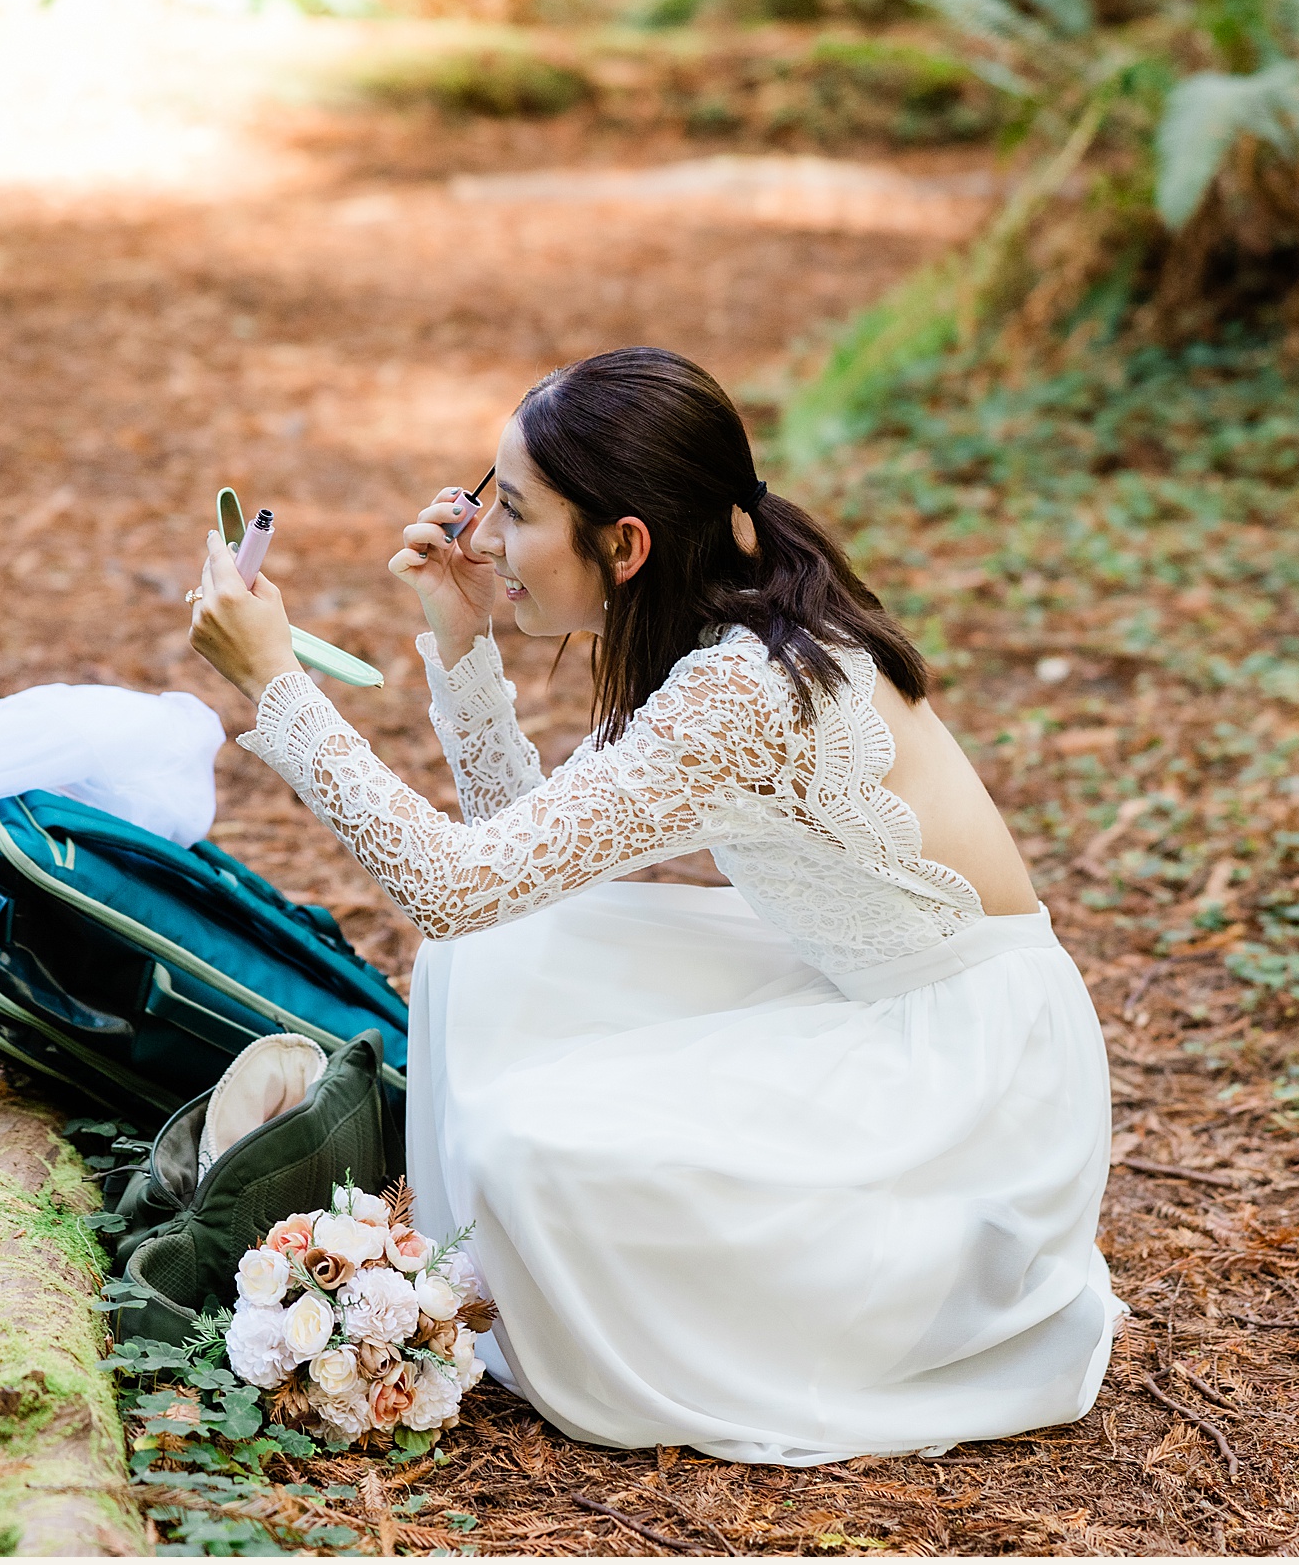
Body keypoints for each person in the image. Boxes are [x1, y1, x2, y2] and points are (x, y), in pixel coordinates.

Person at [188, 346, 1120, 1466]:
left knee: (533, 1150)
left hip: (967, 1076)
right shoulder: (717, 637)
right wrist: (462, 634)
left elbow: (459, 879)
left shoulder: (741, 692)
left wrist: (281, 691)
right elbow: (517, 872)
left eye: (515, 513)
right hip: (858, 993)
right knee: (480, 961)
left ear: (625, 543)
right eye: (488, 500)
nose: (481, 538)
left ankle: (774, 1296)